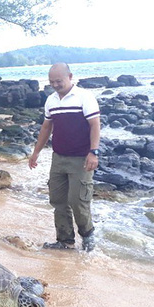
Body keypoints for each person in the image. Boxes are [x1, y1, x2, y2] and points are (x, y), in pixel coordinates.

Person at [29, 62, 101, 252]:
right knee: (58, 200)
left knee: (78, 200)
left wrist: (93, 152)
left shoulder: (84, 97)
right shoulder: (51, 100)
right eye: (52, 81)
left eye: (59, 81)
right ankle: (65, 241)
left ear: (70, 77)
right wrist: (36, 152)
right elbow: (46, 127)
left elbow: (95, 124)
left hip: (81, 158)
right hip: (58, 158)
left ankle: (87, 236)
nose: (55, 84)